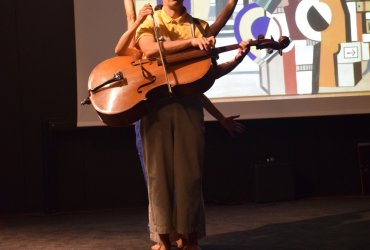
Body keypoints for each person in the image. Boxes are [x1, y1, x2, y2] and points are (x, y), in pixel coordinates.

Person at [134, 1, 250, 249]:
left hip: (188, 109)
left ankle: (189, 236)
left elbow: (208, 74)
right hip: (155, 109)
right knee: (158, 177)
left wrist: (238, 59)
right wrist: (190, 42)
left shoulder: (199, 27)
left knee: (189, 176)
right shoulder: (150, 21)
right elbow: (150, 50)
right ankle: (162, 238)